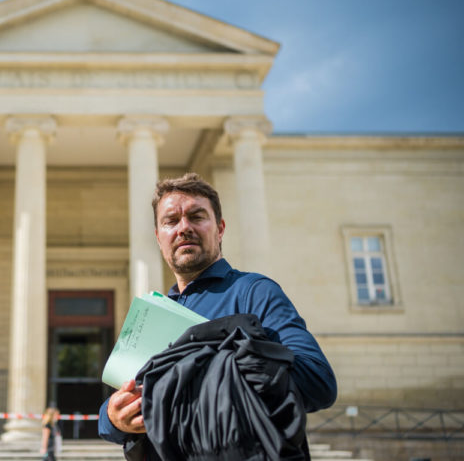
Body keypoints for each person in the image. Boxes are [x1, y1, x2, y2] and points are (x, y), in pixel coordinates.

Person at [98, 172, 337, 446]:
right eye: (171, 221)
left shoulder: (254, 291)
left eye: (197, 217)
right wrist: (112, 417)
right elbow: (126, 403)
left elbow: (318, 382)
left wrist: (204, 372)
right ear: (158, 237)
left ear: (220, 228)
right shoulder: (158, 312)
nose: (183, 227)